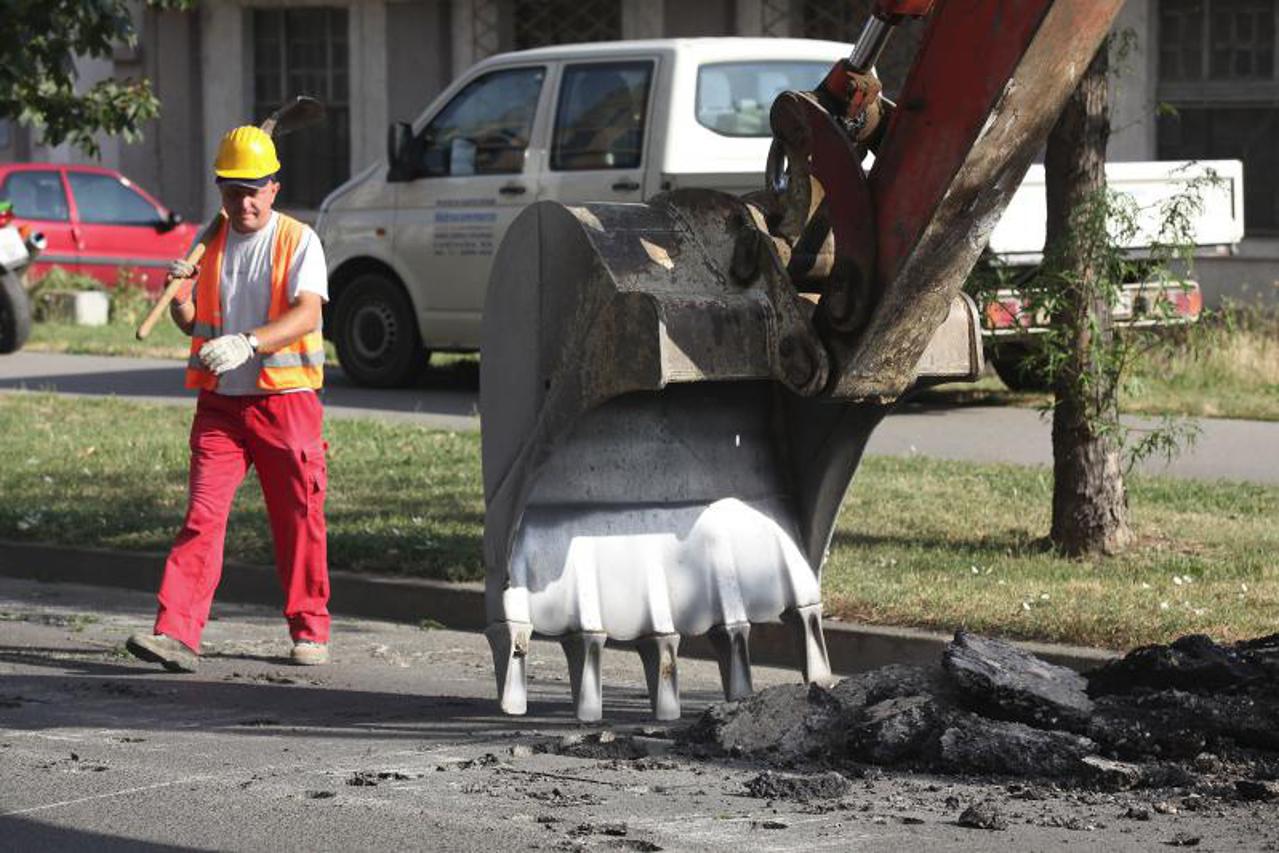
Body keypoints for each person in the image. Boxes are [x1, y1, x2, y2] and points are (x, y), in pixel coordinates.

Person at [126, 125, 331, 672]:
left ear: (273, 188)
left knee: (298, 518)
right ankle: (175, 633)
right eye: (231, 190)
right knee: (201, 517)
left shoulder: (298, 240)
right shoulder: (208, 240)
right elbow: (194, 322)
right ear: (220, 189)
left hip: (284, 402)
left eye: (252, 190)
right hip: (220, 407)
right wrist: (179, 300)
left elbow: (309, 313)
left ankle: (309, 629)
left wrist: (250, 342)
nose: (242, 201)